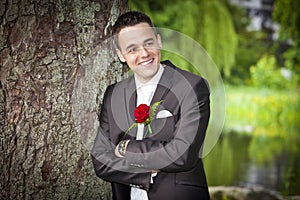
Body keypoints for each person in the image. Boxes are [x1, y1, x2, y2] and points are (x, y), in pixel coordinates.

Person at [91, 11, 211, 200]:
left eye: (148, 43)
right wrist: (146, 174)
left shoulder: (192, 86)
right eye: (132, 49)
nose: (144, 54)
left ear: (159, 41)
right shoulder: (114, 94)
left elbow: (182, 154)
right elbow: (101, 160)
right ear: (121, 55)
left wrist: (124, 148)